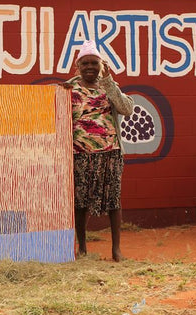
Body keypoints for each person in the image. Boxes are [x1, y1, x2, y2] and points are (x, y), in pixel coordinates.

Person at [64, 40, 134, 262]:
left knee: (113, 200)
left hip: (110, 153)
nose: (90, 67)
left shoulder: (109, 87)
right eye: (85, 64)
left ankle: (116, 249)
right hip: (79, 154)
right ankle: (82, 248)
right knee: (81, 201)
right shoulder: (69, 88)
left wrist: (110, 82)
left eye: (94, 63)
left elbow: (127, 109)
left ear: (102, 65)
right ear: (78, 66)